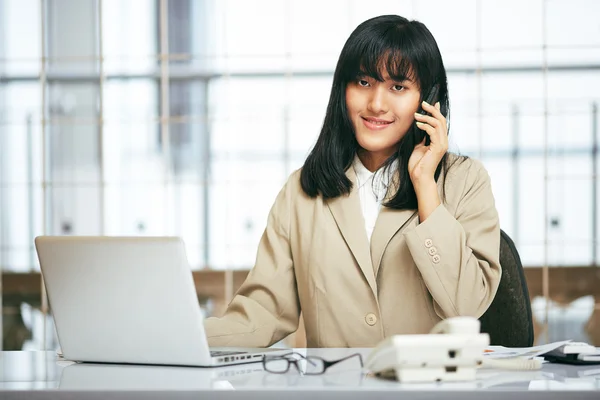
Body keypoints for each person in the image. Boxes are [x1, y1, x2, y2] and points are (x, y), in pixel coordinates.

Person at [204, 15, 501, 348]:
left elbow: (466, 305)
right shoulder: (302, 191)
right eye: (363, 82)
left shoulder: (465, 181)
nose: (376, 104)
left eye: (398, 87)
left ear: (427, 99)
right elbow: (261, 315)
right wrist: (179, 338)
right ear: (342, 89)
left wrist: (425, 186)